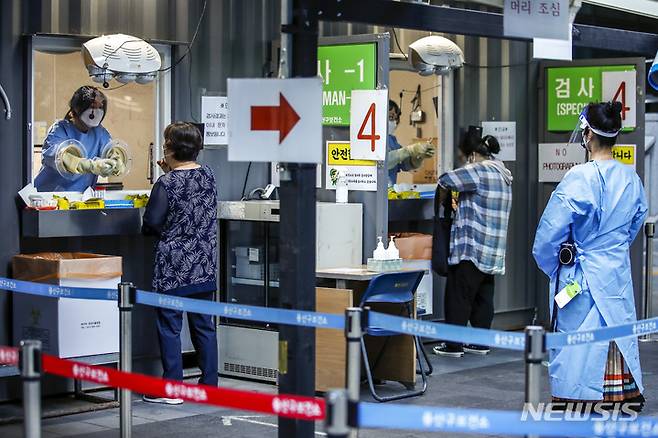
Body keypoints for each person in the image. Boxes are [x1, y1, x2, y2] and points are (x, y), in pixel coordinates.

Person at [533, 102, 647, 410]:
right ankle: (619, 396)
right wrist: (611, 252)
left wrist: (557, 264)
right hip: (616, 273)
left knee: (578, 343)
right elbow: (635, 224)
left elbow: (547, 237)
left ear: (587, 135)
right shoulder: (631, 179)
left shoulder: (578, 177)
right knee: (616, 333)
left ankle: (578, 398)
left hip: (580, 277)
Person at [142, 122, 218, 404]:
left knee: (170, 327)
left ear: (170, 149)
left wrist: (166, 177)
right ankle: (209, 386)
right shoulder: (208, 175)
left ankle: (173, 388)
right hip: (204, 264)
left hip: (174, 267)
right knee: (204, 326)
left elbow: (151, 222)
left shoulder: (166, 183)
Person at [433, 128, 513, 357]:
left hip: (473, 246)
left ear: (471, 155)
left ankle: (453, 345)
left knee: (458, 295)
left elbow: (446, 179)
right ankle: (480, 342)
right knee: (483, 297)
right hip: (493, 249)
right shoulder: (503, 174)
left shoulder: (477, 171)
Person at [34, 86, 125, 192]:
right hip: (49, 197)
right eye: (93, 106)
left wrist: (116, 160)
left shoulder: (100, 133)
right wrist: (88, 165)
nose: (96, 111)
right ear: (77, 109)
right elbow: (54, 155)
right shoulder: (60, 129)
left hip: (81, 198)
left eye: (100, 107)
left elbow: (110, 149)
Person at [387, 100, 435, 185]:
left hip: (389, 193)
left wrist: (419, 156)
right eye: (391, 117)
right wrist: (410, 150)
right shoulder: (369, 140)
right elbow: (384, 162)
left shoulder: (392, 140)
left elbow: (406, 164)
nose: (394, 122)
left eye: (395, 118)